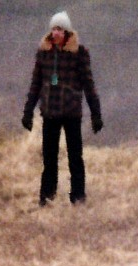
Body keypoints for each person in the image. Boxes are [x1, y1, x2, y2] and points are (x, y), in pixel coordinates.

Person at [22, 11, 103, 206]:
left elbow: (88, 85)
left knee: (75, 157)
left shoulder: (79, 53)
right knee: (49, 159)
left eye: (59, 29)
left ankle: (78, 197)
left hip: (71, 112)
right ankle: (47, 196)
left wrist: (96, 113)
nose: (55, 33)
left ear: (66, 32)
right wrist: (28, 111)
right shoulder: (43, 53)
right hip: (49, 112)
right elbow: (36, 83)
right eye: (53, 29)